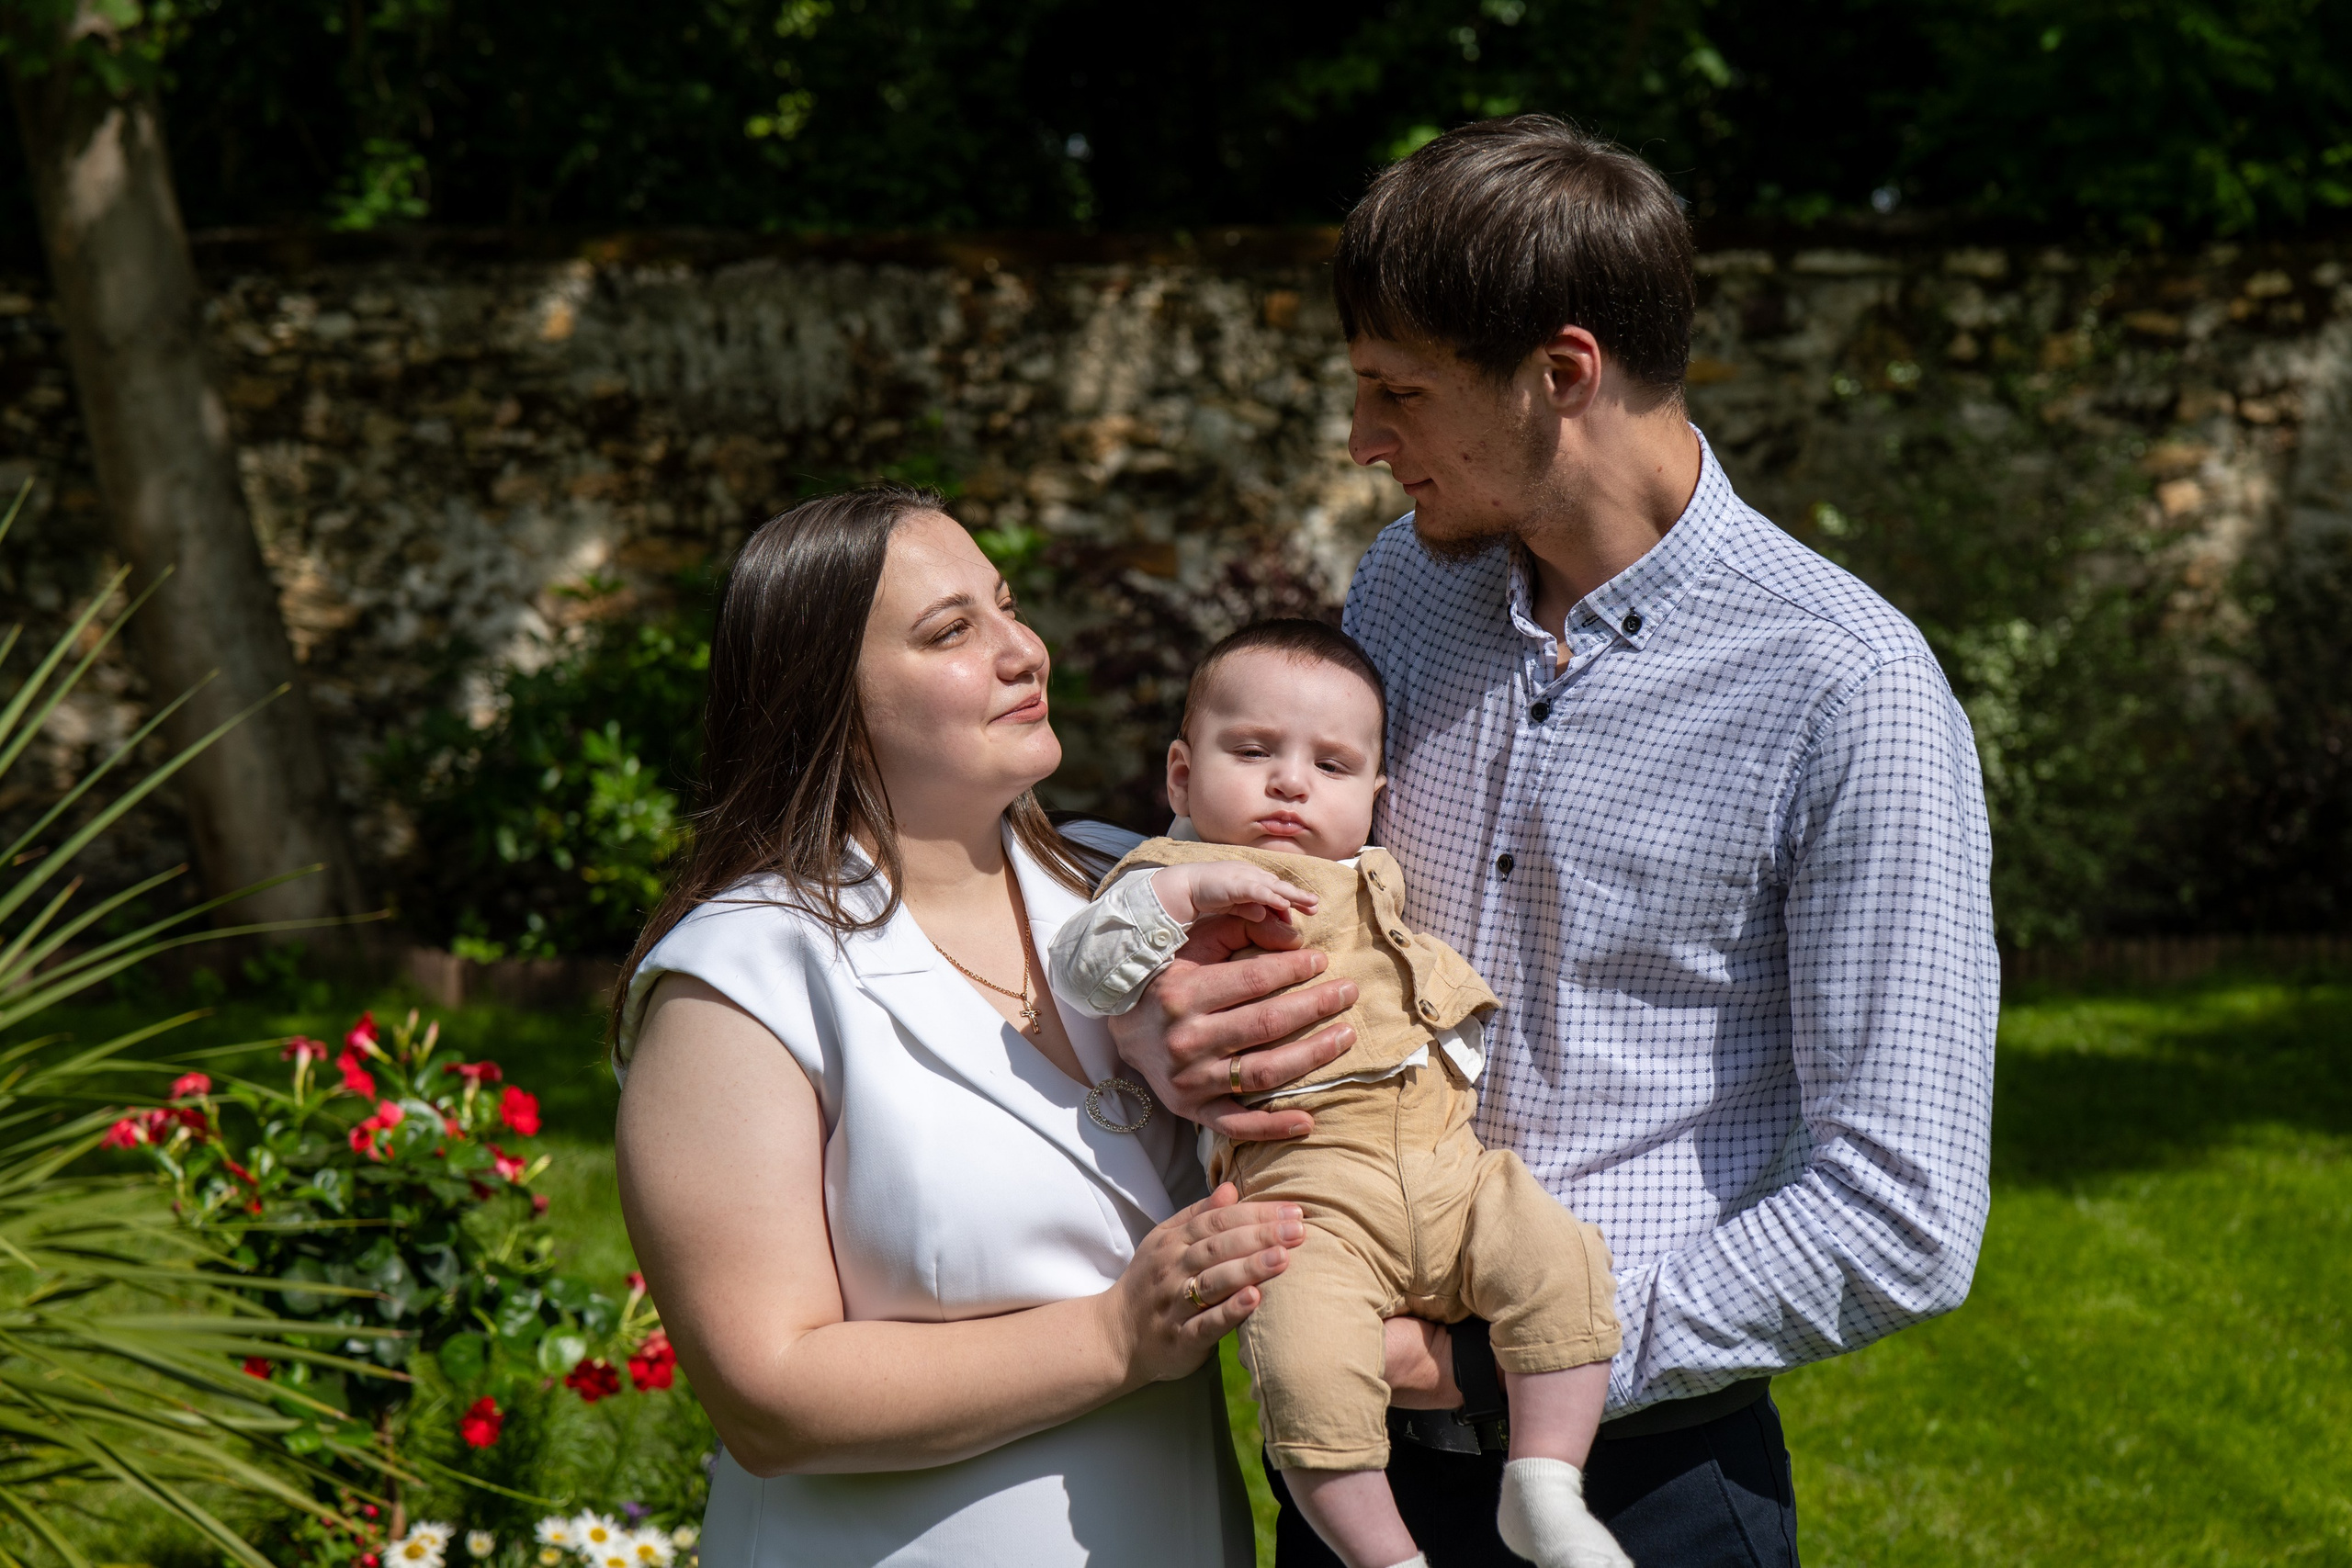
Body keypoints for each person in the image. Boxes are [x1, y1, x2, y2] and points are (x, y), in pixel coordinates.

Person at [1108, 117, 2000, 1567]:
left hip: (1644, 1490)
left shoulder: (1850, 691)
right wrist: (1171, 1014)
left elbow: (1902, 1206)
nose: (1361, 441)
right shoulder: (1402, 584)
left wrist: (1494, 1364)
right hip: (1351, 1472)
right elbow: (1282, 865)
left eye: (1397, 391)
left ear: (1561, 374)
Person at [610, 485, 1287, 1567]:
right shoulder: (739, 978)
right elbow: (767, 1397)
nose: (1024, 649)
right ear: (824, 696)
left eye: (1007, 606)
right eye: (951, 632)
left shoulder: (1132, 893)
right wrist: (1117, 1335)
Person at [1047, 619, 1630, 1568]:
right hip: (1307, 1191)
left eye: (1331, 765)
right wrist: (1178, 903)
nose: (1289, 782)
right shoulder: (1168, 871)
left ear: (1374, 798)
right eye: (1253, 752)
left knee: (1561, 1262)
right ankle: (1383, 1557)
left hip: (1451, 1167)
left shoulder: (1372, 875)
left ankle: (1546, 1486)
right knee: (1305, 1359)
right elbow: (1083, 968)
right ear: (1181, 778)